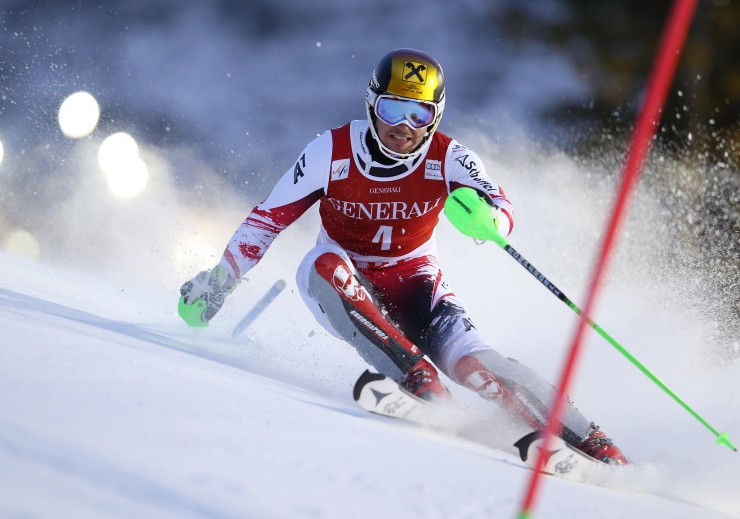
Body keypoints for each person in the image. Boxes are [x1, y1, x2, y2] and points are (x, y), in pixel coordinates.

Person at [179, 48, 630, 465]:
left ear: (435, 117)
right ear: (372, 104)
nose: (405, 125)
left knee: (478, 365)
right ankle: (420, 381)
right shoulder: (330, 152)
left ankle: (595, 445)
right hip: (345, 281)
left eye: (420, 113)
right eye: (393, 109)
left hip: (418, 286)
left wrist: (490, 219)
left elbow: (502, 205)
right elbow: (266, 219)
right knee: (318, 266)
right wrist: (220, 281)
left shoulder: (449, 157)